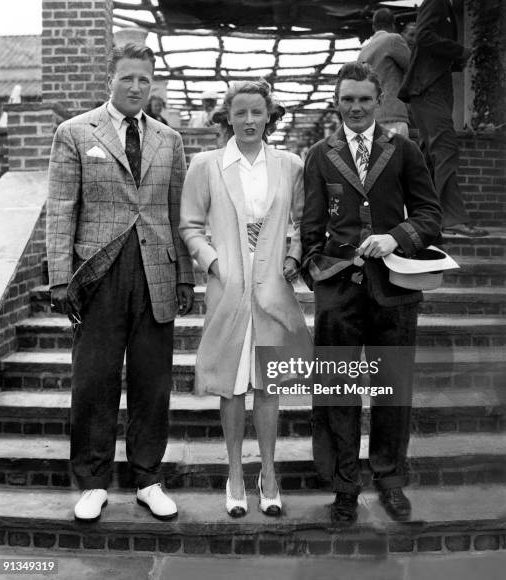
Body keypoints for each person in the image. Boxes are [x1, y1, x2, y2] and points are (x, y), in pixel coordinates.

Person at [46, 43, 195, 522]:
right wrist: (58, 279)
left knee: (154, 383)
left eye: (144, 80)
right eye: (127, 77)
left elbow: (179, 214)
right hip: (98, 274)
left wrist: (185, 276)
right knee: (94, 381)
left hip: (156, 272)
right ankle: (92, 482)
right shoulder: (74, 132)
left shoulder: (169, 140)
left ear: (153, 85)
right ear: (109, 79)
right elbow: (62, 209)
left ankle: (148, 478)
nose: (136, 87)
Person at [301, 62, 442, 524]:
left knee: (393, 389)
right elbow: (311, 230)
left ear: (378, 100)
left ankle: (390, 480)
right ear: (336, 102)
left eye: (364, 99)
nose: (356, 107)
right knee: (337, 390)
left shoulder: (403, 149)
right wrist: (319, 277)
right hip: (339, 293)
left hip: (395, 292)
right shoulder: (320, 154)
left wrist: (396, 236)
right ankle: (344, 486)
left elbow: (429, 215)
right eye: (348, 99)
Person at [180, 79, 311, 518]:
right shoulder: (206, 165)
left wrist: (293, 257)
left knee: (269, 385)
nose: (250, 120)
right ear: (228, 116)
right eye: (241, 112)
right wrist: (215, 264)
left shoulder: (291, 164)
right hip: (229, 286)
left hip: (272, 285)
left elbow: (303, 222)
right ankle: (235, 473)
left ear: (269, 116)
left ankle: (269, 473)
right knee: (232, 384)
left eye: (258, 112)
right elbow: (190, 225)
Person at [399, 0, 487, 237]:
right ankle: (447, 219)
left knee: (430, 157)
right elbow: (424, 37)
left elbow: (431, 47)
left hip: (430, 92)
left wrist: (455, 60)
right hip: (427, 92)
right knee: (445, 149)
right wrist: (459, 50)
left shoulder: (441, 5)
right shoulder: (437, 1)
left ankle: (429, 217)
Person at [357, 9, 411, 137]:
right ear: (393, 24)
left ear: (373, 26)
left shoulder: (363, 52)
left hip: (370, 119)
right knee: (397, 156)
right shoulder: (393, 39)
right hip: (393, 114)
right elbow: (412, 67)